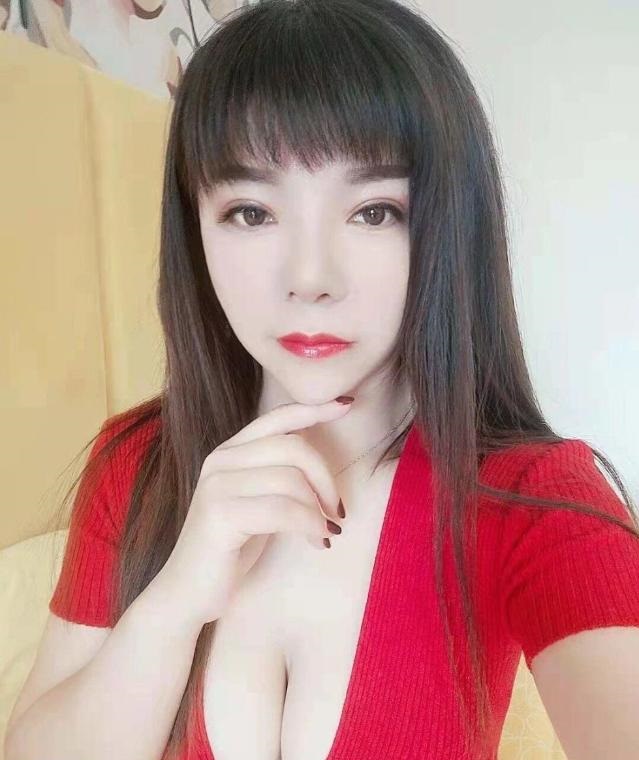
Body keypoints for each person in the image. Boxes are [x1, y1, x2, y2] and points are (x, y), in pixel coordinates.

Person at [6, 1, 639, 759]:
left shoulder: (532, 496)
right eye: (250, 212)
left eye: (373, 212)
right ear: (194, 229)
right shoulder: (138, 462)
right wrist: (173, 601)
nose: (309, 278)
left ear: (447, 225)